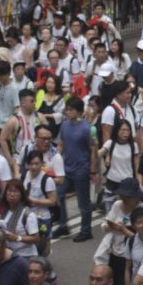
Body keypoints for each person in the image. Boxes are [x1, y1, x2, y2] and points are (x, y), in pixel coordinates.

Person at [57, 96, 94, 241]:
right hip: (66, 168)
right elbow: (61, 143)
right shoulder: (64, 125)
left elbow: (93, 150)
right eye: (66, 109)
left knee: (83, 202)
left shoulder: (87, 128)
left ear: (79, 112)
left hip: (81, 169)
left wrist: (92, 170)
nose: (67, 112)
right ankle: (63, 225)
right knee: (58, 195)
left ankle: (86, 230)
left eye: (70, 109)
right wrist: (56, 161)